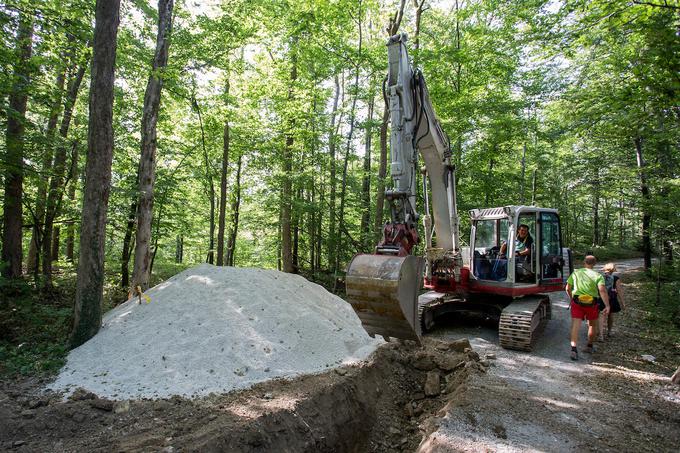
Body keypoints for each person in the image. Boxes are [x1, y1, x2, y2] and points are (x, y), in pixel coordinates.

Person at [565, 255, 610, 361]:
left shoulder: (576, 273)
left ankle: (573, 350)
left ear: (584, 262)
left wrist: (572, 298)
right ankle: (589, 346)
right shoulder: (598, 275)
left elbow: (567, 288)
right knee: (592, 325)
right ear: (594, 264)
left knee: (576, 325)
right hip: (592, 303)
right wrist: (607, 305)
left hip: (577, 302)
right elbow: (602, 291)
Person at [599, 263, 625, 339]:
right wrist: (623, 302)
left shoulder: (600, 277)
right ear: (613, 270)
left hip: (602, 298)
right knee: (610, 315)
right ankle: (609, 332)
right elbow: (619, 291)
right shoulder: (616, 278)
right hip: (612, 299)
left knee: (601, 315)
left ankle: (601, 335)